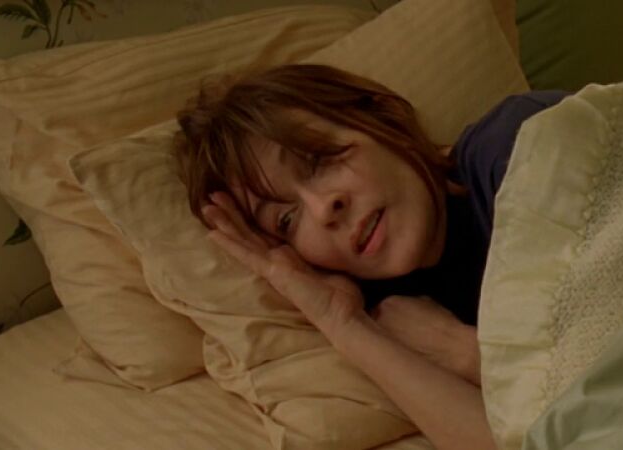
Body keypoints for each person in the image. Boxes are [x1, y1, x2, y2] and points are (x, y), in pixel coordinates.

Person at [173, 63, 567, 449]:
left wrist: (462, 352)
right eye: (287, 219)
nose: (324, 209)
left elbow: (602, 383)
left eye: (319, 158)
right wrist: (342, 323)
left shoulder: (519, 146)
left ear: (384, 119)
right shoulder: (395, 313)